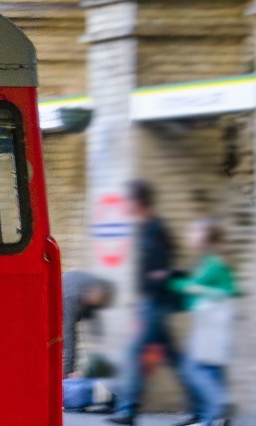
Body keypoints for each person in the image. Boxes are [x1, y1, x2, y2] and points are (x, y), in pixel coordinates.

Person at [108, 180, 202, 426]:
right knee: (175, 358)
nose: (125, 205)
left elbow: (162, 268)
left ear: (138, 202)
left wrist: (156, 278)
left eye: (128, 200)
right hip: (151, 304)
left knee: (135, 353)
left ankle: (128, 410)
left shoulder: (154, 228)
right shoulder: (147, 227)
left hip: (155, 304)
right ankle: (201, 406)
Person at [169, 218, 236, 426]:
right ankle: (213, 416)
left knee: (196, 367)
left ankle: (216, 410)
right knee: (210, 368)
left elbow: (228, 291)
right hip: (207, 322)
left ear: (205, 237)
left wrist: (173, 282)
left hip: (211, 324)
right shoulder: (207, 259)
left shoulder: (213, 262)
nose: (190, 236)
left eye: (194, 232)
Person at [63, 270, 115, 377]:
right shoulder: (71, 297)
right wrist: (69, 372)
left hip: (81, 293)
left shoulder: (98, 289)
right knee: (67, 336)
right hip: (64, 298)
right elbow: (69, 336)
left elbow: (99, 333)